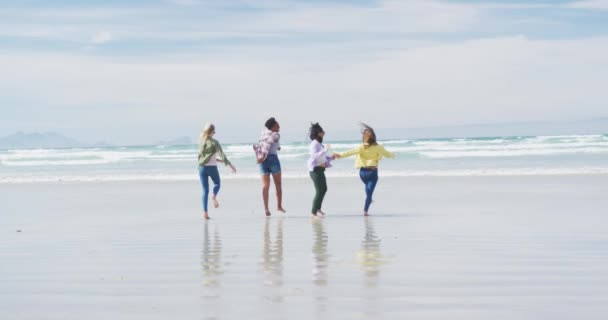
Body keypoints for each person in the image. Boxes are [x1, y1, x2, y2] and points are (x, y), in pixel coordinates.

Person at [333, 123, 394, 216]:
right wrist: (393, 154)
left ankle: (366, 208)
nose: (365, 136)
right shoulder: (372, 147)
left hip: (367, 173)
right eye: (365, 134)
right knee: (369, 192)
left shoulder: (369, 147)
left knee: (369, 191)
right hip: (368, 173)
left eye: (366, 134)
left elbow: (350, 152)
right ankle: (367, 204)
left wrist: (339, 155)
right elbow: (351, 152)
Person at [197, 123, 236, 220]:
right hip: (211, 168)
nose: (215, 132)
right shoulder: (215, 142)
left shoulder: (202, 141)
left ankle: (205, 213)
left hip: (201, 167)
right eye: (214, 131)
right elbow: (222, 154)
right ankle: (214, 196)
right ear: (212, 131)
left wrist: (220, 161)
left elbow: (205, 157)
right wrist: (230, 165)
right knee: (217, 184)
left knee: (205, 191)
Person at [257, 117, 286, 216]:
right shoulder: (276, 135)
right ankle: (279, 206)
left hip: (262, 161)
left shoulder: (263, 134)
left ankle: (266, 208)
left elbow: (265, 144)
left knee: (265, 185)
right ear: (272, 127)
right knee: (278, 184)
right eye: (277, 126)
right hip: (272, 159)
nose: (279, 127)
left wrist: (278, 147)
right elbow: (271, 142)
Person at [307, 123, 332, 217]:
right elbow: (314, 156)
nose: (324, 133)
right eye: (322, 131)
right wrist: (325, 150)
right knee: (319, 190)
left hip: (321, 169)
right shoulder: (314, 143)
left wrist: (331, 157)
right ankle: (313, 213)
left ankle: (318, 208)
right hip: (315, 170)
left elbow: (322, 157)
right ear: (318, 133)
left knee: (324, 189)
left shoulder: (319, 144)